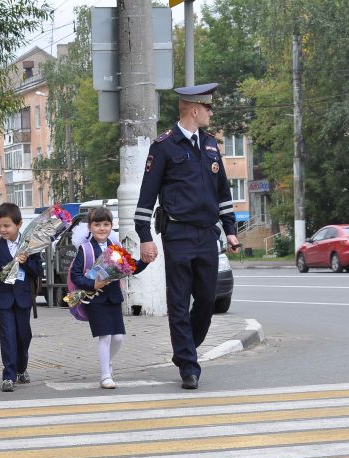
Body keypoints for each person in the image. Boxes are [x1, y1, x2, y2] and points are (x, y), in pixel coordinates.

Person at [133, 82, 240, 390]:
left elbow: (223, 193)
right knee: (179, 301)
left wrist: (230, 231)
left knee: (207, 298)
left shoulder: (209, 144)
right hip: (177, 233)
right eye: (208, 108)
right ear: (194, 109)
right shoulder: (164, 146)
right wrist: (145, 236)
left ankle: (185, 350)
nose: (211, 112)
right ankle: (189, 366)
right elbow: (146, 196)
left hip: (208, 235)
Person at [70, 207, 148, 389]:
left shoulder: (116, 248)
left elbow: (131, 267)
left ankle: (107, 363)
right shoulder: (85, 249)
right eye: (97, 225)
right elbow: (75, 275)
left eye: (106, 224)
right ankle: (105, 375)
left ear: (111, 226)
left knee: (119, 337)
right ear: (90, 227)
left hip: (113, 297)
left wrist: (145, 261)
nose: (102, 228)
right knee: (104, 336)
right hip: (95, 299)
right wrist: (93, 285)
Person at [0, 202, 43, 392]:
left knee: (24, 335)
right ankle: (8, 376)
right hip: (3, 298)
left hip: (24, 297)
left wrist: (26, 263)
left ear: (18, 225)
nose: (2, 229)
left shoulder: (30, 245)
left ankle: (21, 368)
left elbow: (37, 271)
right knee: (8, 334)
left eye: (7, 225)